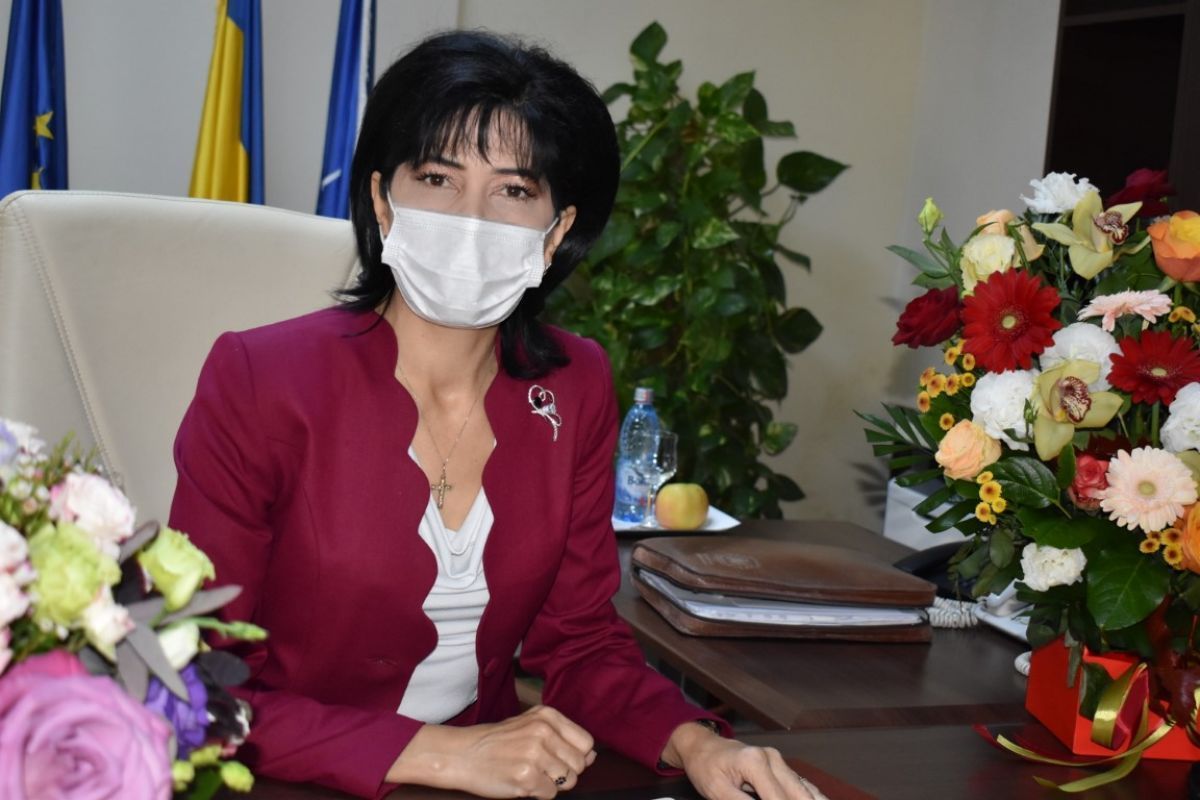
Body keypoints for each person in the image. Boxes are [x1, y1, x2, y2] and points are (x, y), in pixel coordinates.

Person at [170, 30, 825, 800]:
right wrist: (438, 753)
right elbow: (195, 682)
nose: (470, 218)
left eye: (512, 191)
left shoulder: (576, 382)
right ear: (382, 201)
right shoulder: (260, 379)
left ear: (556, 232)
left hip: (490, 782)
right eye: (437, 178)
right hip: (283, 779)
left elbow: (579, 643)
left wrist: (696, 744)